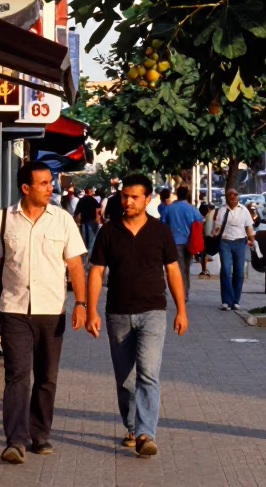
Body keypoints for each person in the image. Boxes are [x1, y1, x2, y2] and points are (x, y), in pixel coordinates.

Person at [0, 160, 88, 465]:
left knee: (46, 376)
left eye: (50, 182)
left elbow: (76, 265)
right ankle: (15, 440)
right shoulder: (5, 219)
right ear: (25, 187)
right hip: (14, 309)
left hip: (51, 310)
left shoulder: (62, 220)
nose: (49, 187)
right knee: (16, 375)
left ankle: (40, 434)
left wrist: (81, 304)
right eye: (43, 183)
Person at [86, 173, 188, 458]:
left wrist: (182, 309)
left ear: (147, 199)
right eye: (125, 196)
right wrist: (90, 309)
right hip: (117, 312)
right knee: (125, 378)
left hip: (153, 311)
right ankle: (131, 426)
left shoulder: (160, 231)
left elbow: (173, 271)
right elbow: (96, 272)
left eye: (134, 197)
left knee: (148, 373)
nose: (128, 201)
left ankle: (146, 433)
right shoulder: (108, 232)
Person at [206, 188, 256, 311]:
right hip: (225, 242)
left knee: (239, 272)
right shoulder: (222, 210)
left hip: (240, 242)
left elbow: (249, 227)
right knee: (226, 271)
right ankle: (226, 301)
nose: (234, 198)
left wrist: (251, 239)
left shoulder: (244, 210)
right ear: (227, 198)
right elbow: (218, 226)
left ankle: (236, 300)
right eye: (231, 196)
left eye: (236, 195)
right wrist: (215, 231)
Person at [159, 186, 202, 300]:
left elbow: (163, 224)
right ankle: (185, 293)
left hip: (174, 242)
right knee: (187, 268)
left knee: (178, 268)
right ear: (187, 195)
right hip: (189, 242)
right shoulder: (191, 208)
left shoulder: (169, 208)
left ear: (177, 194)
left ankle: (180, 292)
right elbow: (199, 220)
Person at [75, 187, 102, 255]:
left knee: (84, 241)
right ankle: (90, 257)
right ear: (90, 191)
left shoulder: (82, 200)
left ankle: (85, 257)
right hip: (92, 222)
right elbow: (99, 208)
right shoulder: (93, 200)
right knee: (91, 241)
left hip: (84, 222)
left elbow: (77, 211)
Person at [196, 204, 215, 279]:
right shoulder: (206, 218)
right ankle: (204, 270)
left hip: (202, 237)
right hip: (206, 237)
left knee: (203, 254)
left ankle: (204, 269)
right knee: (204, 254)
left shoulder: (201, 218)